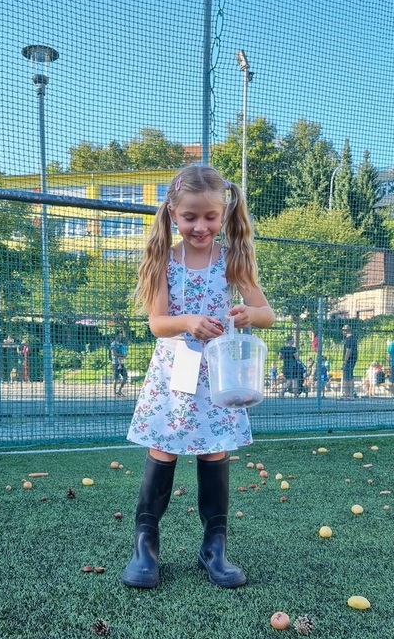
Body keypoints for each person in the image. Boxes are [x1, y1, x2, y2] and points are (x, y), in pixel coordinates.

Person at [124, 165, 275, 589]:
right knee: (164, 449)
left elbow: (266, 313)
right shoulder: (163, 259)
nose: (200, 226)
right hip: (174, 374)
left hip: (219, 377)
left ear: (223, 214)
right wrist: (188, 320)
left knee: (213, 452)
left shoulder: (232, 259)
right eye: (190, 217)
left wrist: (248, 314)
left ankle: (214, 548)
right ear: (173, 213)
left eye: (210, 216)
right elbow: (157, 323)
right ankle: (146, 546)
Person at [342, 324, 358, 398]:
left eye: (343, 330)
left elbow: (348, 351)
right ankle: (350, 393)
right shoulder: (353, 338)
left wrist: (345, 362)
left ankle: (347, 394)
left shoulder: (349, 339)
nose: (342, 332)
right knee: (350, 376)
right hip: (353, 359)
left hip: (349, 360)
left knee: (346, 377)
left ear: (346, 331)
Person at [110, 330, 128, 397]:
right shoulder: (113, 344)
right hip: (115, 363)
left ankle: (119, 391)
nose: (120, 337)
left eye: (121, 336)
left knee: (125, 377)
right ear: (116, 336)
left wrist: (124, 355)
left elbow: (124, 351)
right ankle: (114, 393)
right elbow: (114, 353)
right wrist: (122, 355)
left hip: (121, 363)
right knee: (116, 378)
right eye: (119, 335)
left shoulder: (121, 344)